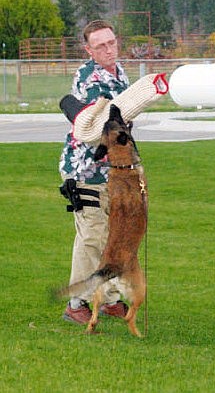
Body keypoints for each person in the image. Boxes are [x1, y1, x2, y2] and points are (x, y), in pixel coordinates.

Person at [59, 20, 130, 324]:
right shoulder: (91, 79)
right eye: (100, 45)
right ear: (89, 50)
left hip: (112, 169)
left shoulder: (119, 71)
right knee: (91, 237)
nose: (108, 49)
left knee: (114, 235)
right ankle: (76, 302)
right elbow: (103, 125)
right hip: (86, 169)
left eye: (111, 42)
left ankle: (110, 298)